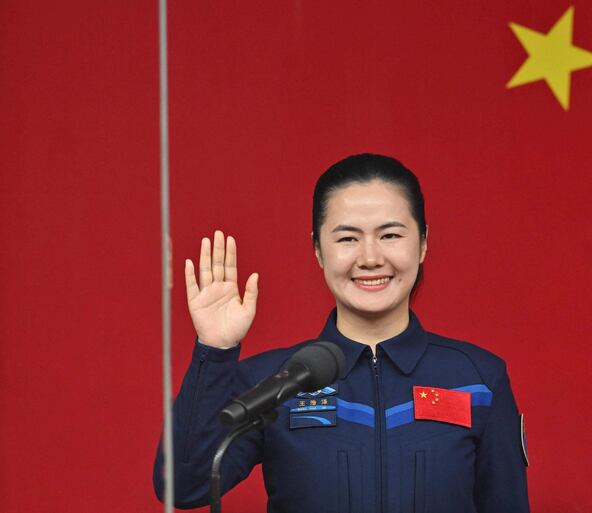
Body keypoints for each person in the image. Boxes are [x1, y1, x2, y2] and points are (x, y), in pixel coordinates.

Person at [153, 153, 530, 512]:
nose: (370, 258)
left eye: (390, 235)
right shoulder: (273, 382)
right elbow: (183, 486)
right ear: (318, 250)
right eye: (347, 238)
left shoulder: (479, 380)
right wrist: (215, 350)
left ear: (423, 243)